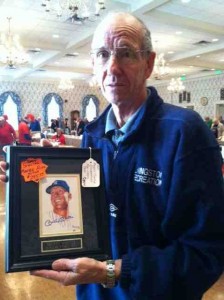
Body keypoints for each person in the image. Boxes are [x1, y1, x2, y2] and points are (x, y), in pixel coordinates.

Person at [1, 11, 224, 300]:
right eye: (103, 55)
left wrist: (116, 271)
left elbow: (206, 253)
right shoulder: (93, 134)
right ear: (93, 64)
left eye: (126, 53)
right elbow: (85, 215)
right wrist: (26, 186)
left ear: (149, 63)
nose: (113, 67)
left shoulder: (185, 133)